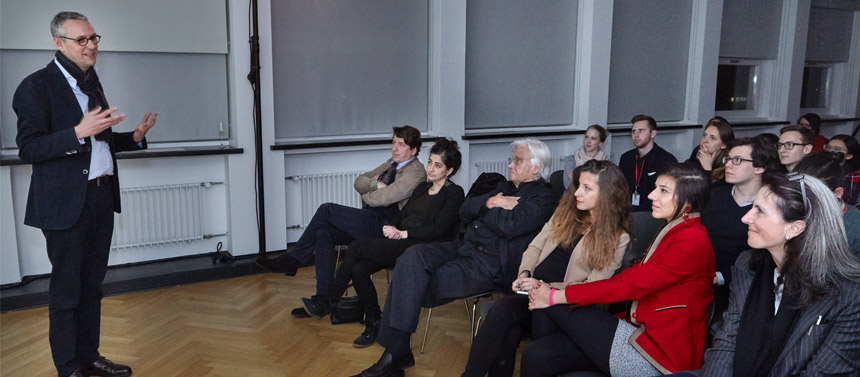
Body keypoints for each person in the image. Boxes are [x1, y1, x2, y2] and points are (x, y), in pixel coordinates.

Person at [13, 12, 158, 377]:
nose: (92, 45)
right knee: (66, 292)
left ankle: (89, 357)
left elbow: (99, 144)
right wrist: (78, 131)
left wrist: (134, 138)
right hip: (65, 205)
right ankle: (68, 368)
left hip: (101, 198)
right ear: (58, 43)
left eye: (94, 38)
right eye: (82, 40)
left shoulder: (91, 83)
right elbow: (29, 148)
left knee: (92, 286)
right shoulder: (35, 87)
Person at [350, 138, 558, 377]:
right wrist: (491, 202)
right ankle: (396, 352)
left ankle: (394, 355)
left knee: (413, 283)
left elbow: (509, 225)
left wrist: (485, 209)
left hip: (487, 264)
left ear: (536, 168)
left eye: (517, 161)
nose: (510, 165)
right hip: (464, 248)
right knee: (412, 256)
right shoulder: (506, 189)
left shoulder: (544, 197)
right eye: (512, 160)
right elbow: (465, 209)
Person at [522, 163, 715, 376]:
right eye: (656, 188)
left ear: (687, 201)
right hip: (639, 334)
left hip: (657, 355)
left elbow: (630, 285)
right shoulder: (676, 230)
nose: (651, 195)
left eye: (663, 191)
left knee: (549, 303)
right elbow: (633, 278)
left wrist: (555, 295)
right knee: (536, 355)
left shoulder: (691, 239)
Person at [461, 160, 632, 377]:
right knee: (502, 310)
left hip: (567, 307)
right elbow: (535, 245)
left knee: (523, 320)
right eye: (578, 185)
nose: (577, 192)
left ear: (607, 195)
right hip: (533, 292)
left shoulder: (618, 236)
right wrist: (525, 274)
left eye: (587, 188)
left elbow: (593, 287)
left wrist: (545, 287)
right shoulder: (566, 213)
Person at [304, 138, 465, 348]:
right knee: (359, 269)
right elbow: (402, 214)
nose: (431, 169)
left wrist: (403, 233)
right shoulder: (422, 188)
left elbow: (439, 230)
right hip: (400, 239)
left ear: (449, 170)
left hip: (419, 247)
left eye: (438, 165)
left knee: (357, 247)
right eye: (430, 162)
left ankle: (328, 300)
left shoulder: (454, 193)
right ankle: (374, 320)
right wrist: (388, 229)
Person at [699, 173, 860, 376]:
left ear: (795, 228)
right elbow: (727, 344)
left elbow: (823, 372)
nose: (745, 218)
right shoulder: (747, 265)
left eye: (760, 211)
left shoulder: (850, 293)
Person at [257, 126, 426, 315]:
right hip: (370, 219)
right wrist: (374, 184)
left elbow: (386, 198)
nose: (395, 148)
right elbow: (359, 181)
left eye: (401, 145)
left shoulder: (415, 172)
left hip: (387, 227)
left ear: (414, 150)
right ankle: (322, 301)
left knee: (326, 209)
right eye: (394, 142)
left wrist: (367, 194)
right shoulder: (391, 163)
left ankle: (295, 259)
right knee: (323, 233)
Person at [701, 137, 780, 324]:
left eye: (737, 160)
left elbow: (765, 259)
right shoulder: (713, 196)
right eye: (728, 159)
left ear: (759, 168)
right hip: (700, 275)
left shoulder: (771, 206)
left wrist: (720, 277)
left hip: (745, 284)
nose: (728, 164)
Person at [795, 151, 860, 257]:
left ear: (837, 193)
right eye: (800, 188)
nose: (804, 196)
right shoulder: (791, 208)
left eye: (814, 191)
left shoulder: (854, 222)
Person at [619, 114, 678, 212]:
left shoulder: (666, 160)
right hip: (627, 210)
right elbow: (620, 187)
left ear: (653, 133)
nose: (636, 135)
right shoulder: (626, 158)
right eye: (634, 131)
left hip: (652, 211)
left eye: (641, 131)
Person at [686, 117, 734, 185]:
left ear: (723, 145)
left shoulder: (728, 165)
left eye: (712, 138)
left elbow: (715, 192)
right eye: (704, 135)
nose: (705, 141)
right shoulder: (698, 151)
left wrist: (707, 170)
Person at [826, 134, 860, 206]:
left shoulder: (854, 178)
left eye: (837, 149)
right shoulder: (817, 169)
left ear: (849, 155)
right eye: (828, 148)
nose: (830, 152)